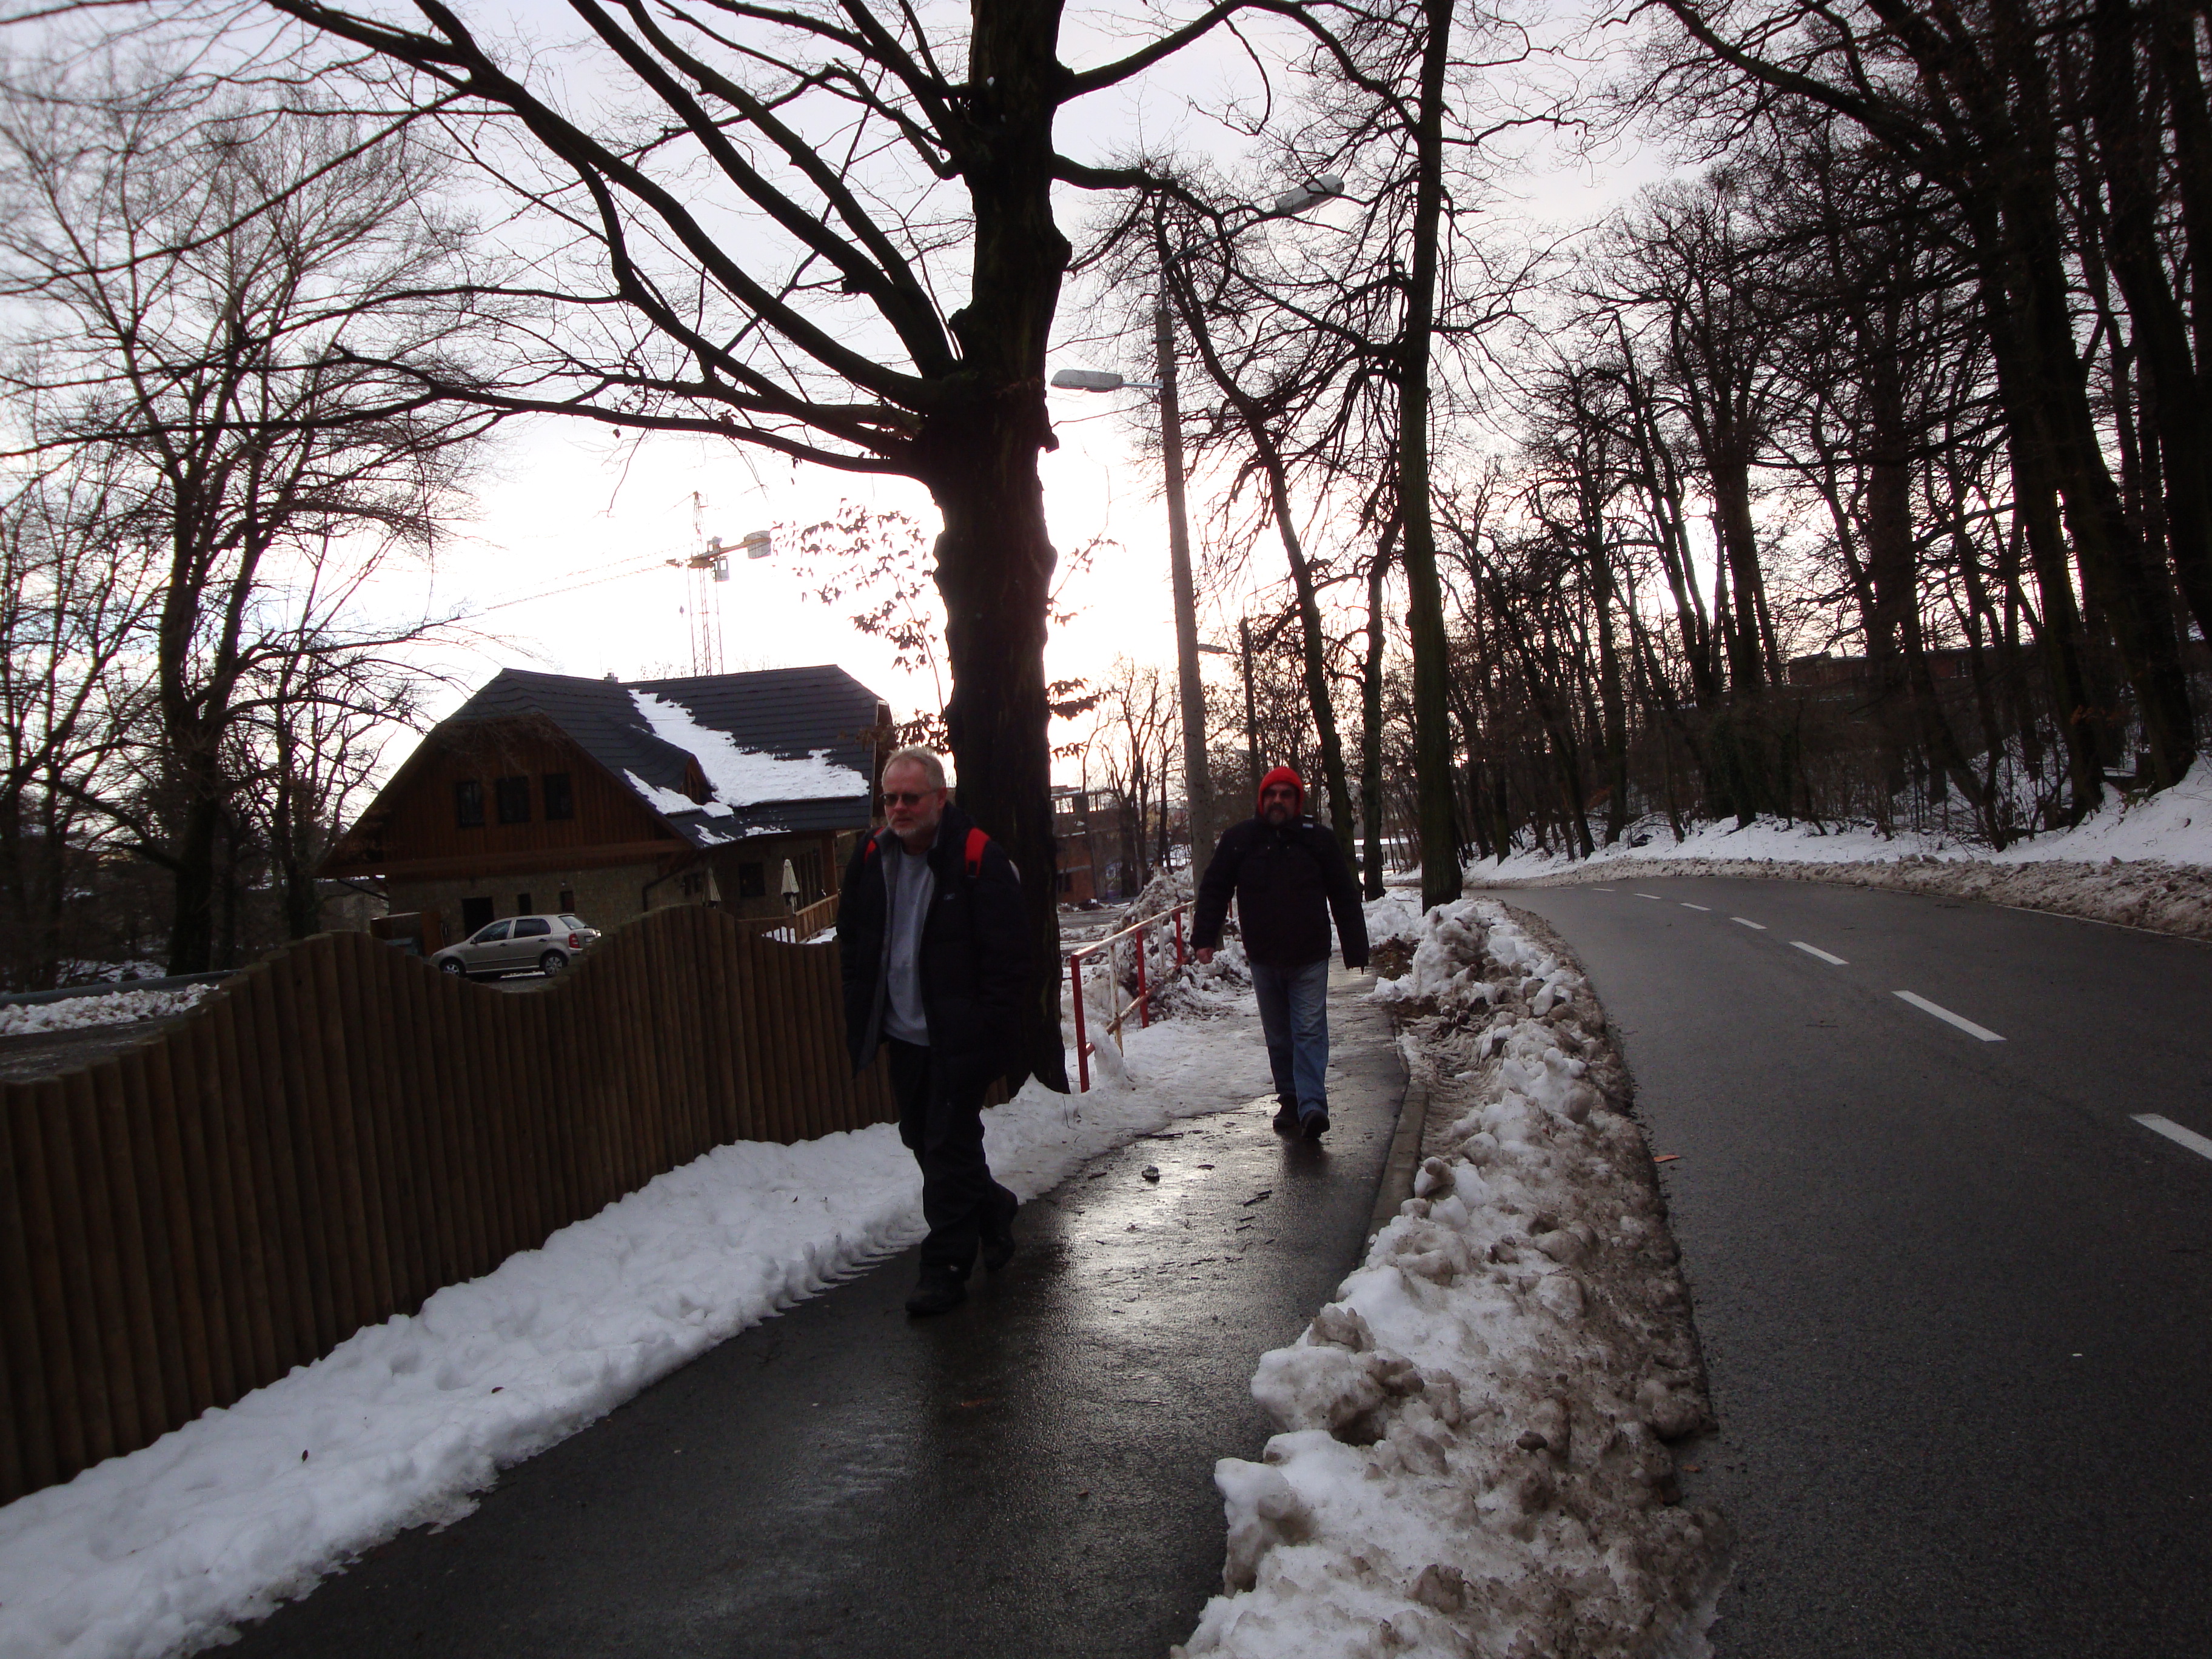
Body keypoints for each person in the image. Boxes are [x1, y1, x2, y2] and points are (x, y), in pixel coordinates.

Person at [839, 745, 1030, 1316]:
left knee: (946, 1147)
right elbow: (854, 937)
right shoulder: (871, 856)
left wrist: (989, 1033)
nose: (898, 808)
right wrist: (862, 1005)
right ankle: (993, 1208)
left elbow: (1008, 961)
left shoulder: (977, 858)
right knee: (925, 1139)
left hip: (959, 1037)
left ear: (939, 798)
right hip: (905, 1034)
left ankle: (945, 1267)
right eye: (890, 798)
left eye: (910, 798)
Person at [1191, 765, 1369, 1140]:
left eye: (1286, 795)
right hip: (1264, 956)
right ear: (1261, 800)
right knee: (1279, 1036)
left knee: (1309, 1030)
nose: (1277, 801)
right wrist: (1205, 936)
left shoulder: (1317, 840)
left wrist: (1355, 946)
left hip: (1309, 956)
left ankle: (1312, 1105)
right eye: (1271, 794)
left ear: (1297, 801)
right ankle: (1290, 1100)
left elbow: (1343, 893)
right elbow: (1215, 887)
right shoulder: (1240, 840)